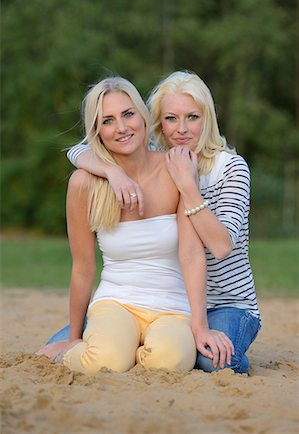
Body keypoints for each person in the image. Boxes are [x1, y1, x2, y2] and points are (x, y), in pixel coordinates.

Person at [64, 70, 261, 374]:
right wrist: (111, 172)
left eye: (192, 117)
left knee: (208, 359)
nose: (181, 129)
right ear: (156, 122)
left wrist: (188, 186)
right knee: (81, 346)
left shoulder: (227, 168)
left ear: (207, 118)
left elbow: (220, 246)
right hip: (141, 300)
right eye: (171, 119)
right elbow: (81, 148)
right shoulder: (156, 156)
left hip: (222, 301)